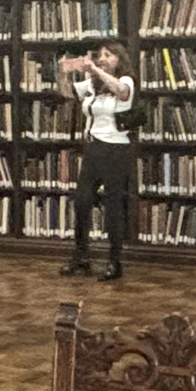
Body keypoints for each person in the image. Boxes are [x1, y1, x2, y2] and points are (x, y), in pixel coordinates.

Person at [57, 38, 135, 280]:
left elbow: (122, 93)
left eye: (109, 55)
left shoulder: (125, 80)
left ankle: (114, 260)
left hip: (115, 149)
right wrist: (64, 73)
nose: (103, 58)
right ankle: (81, 255)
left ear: (119, 60)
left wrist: (96, 70)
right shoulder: (91, 83)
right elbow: (67, 93)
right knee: (81, 201)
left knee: (113, 206)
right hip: (93, 148)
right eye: (100, 54)